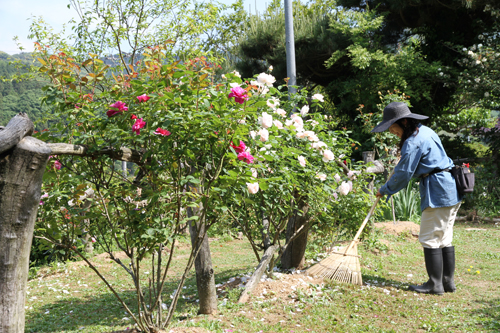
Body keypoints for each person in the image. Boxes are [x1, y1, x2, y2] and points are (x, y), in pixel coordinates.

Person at [372, 102, 462, 295]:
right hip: (450, 188)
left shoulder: (413, 141)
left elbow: (404, 173)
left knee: (429, 237)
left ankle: (434, 284)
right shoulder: (426, 131)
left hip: (437, 191)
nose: (392, 132)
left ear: (404, 122)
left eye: (392, 127)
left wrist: (385, 189)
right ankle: (447, 282)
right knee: (444, 237)